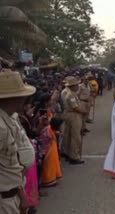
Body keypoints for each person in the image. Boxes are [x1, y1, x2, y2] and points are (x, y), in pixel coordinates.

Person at [0, 71, 36, 214]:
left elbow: (11, 164)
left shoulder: (11, 118)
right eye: (22, 98)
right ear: (12, 99)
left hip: (13, 193)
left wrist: (21, 195)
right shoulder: (1, 127)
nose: (25, 101)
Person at [61, 76, 87, 165]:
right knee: (76, 137)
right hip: (73, 115)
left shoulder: (68, 92)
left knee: (68, 135)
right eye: (76, 85)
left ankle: (68, 153)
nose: (78, 87)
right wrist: (83, 111)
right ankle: (74, 156)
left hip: (69, 114)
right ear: (72, 86)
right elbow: (75, 107)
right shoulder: (70, 94)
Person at [39, 117, 63, 187]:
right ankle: (47, 181)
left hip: (50, 150)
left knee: (52, 165)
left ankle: (51, 179)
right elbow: (44, 143)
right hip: (47, 151)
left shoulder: (50, 128)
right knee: (48, 166)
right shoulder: (47, 131)